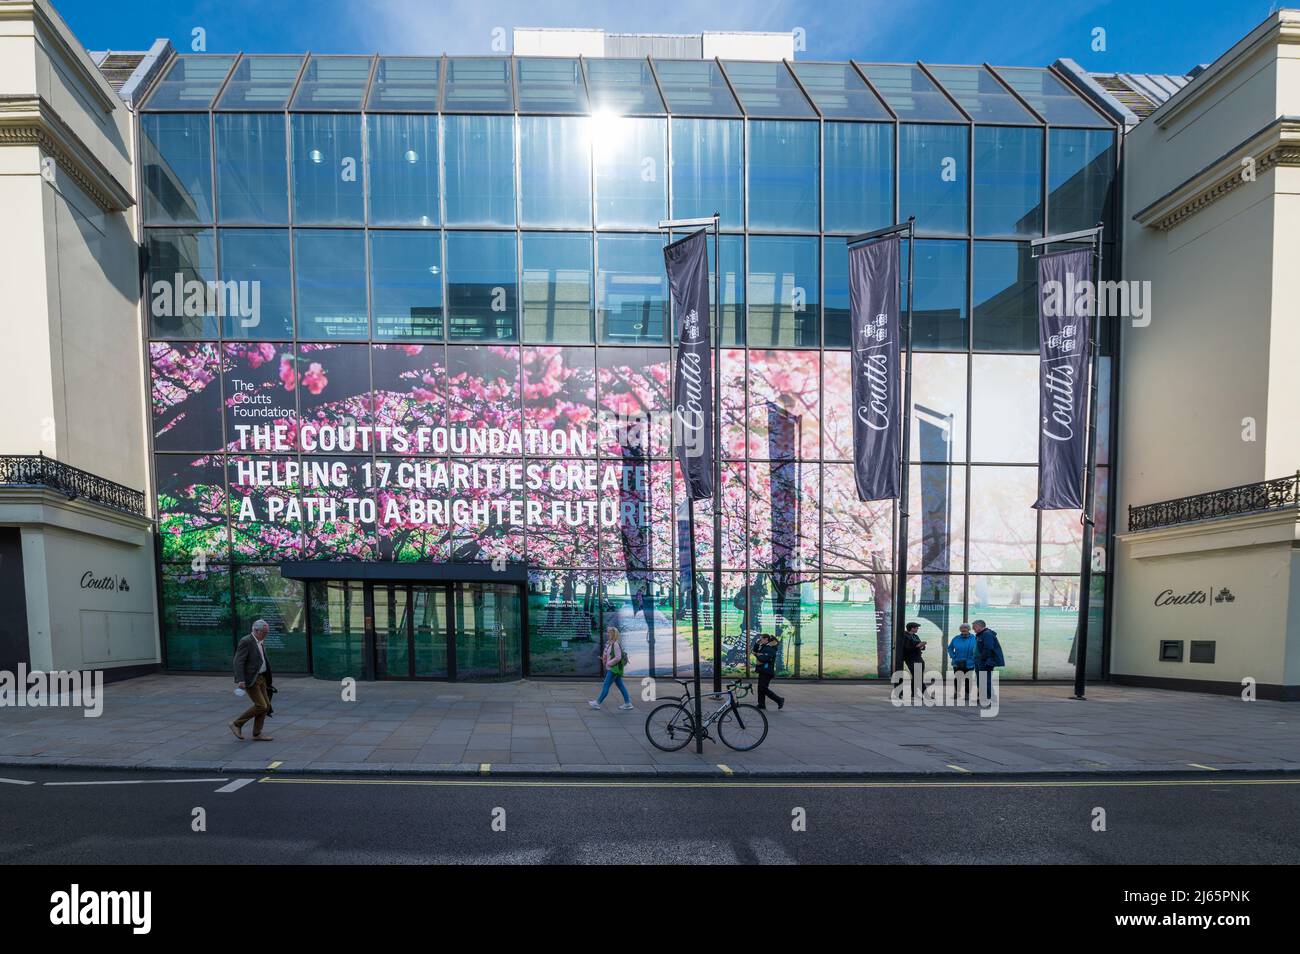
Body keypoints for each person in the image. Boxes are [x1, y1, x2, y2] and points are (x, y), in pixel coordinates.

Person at [229, 619, 274, 741]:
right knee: (261, 705)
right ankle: (237, 724)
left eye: (267, 632)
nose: (266, 634)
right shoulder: (246, 641)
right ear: (256, 630)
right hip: (251, 678)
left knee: (266, 705)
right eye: (264, 632)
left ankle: (257, 733)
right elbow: (238, 661)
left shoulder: (260, 641)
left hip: (261, 677)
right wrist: (241, 680)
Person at [589, 626, 634, 710]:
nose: (608, 633)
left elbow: (618, 657)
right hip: (614, 668)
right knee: (620, 685)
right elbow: (611, 655)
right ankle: (628, 703)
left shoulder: (615, 644)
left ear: (613, 634)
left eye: (609, 632)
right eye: (608, 632)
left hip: (613, 669)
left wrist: (609, 663)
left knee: (606, 686)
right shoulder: (611, 643)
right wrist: (604, 659)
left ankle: (597, 702)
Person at [972, 619, 1005, 702]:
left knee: (985, 680)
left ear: (979, 626)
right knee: (981, 680)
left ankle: (989, 698)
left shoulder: (987, 634)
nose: (973, 629)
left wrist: (982, 658)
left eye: (974, 627)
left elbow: (988, 647)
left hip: (984, 661)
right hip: (979, 660)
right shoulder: (980, 634)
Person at [752, 633, 785, 710]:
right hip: (763, 670)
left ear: (766, 639)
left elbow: (764, 659)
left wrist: (757, 655)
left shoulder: (770, 648)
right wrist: (757, 644)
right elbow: (754, 651)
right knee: (760, 688)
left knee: (763, 688)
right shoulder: (764, 646)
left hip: (767, 671)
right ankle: (761, 704)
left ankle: (779, 700)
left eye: (761, 639)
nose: (760, 640)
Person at [946, 623, 978, 703]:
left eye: (965, 628)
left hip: (970, 663)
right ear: (960, 630)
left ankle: (967, 694)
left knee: (968, 679)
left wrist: (973, 658)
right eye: (962, 628)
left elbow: (978, 650)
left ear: (969, 629)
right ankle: (957, 693)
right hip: (957, 662)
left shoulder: (974, 638)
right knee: (957, 679)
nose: (964, 630)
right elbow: (950, 648)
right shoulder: (956, 638)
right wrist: (953, 656)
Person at [901, 621, 926, 700]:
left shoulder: (915, 636)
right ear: (912, 628)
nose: (917, 629)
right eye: (916, 627)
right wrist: (919, 645)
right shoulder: (905, 636)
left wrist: (921, 646)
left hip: (918, 657)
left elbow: (920, 645)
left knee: (916, 676)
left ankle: (914, 693)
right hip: (911, 658)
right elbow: (909, 647)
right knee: (918, 676)